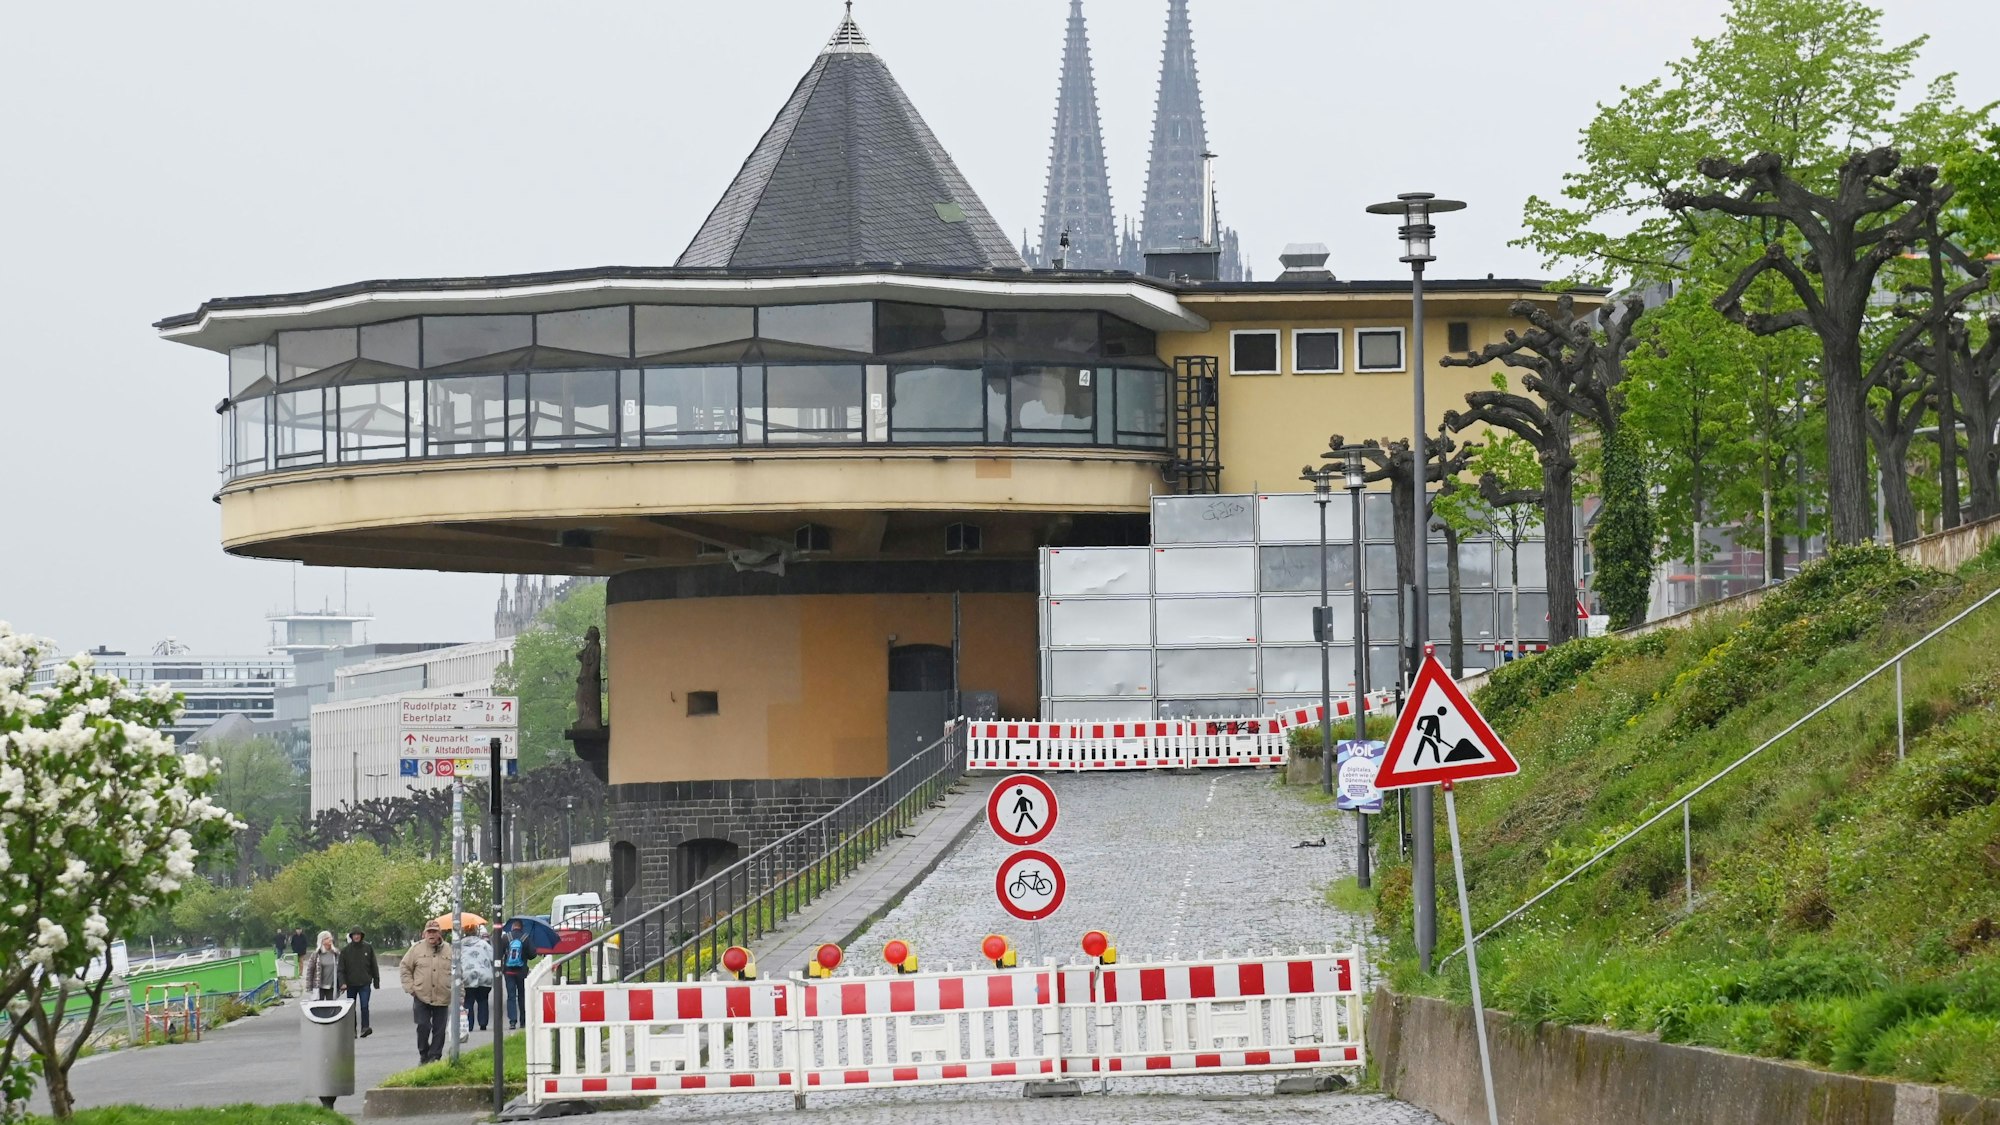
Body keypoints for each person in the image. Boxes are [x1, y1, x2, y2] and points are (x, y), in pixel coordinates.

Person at [400, 923, 453, 1064]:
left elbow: (458, 973)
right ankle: (424, 1054)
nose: (431, 934)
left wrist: (460, 994)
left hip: (442, 995)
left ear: (439, 934)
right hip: (421, 995)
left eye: (434, 932)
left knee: (439, 1030)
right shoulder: (416, 949)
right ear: (424, 934)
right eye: (429, 932)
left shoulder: (449, 950)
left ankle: (435, 1056)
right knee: (423, 1026)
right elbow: (404, 967)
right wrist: (410, 988)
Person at [339, 928, 380, 1038]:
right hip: (351, 984)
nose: (356, 936)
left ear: (361, 935)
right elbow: (341, 969)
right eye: (354, 935)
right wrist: (342, 983)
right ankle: (352, 1029)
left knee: (364, 1005)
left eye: (358, 934)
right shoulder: (345, 950)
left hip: (365, 983)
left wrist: (376, 980)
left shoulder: (368, 948)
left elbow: (374, 965)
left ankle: (365, 1028)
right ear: (351, 936)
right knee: (351, 1008)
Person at [458, 923, 494, 1039]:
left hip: (467, 976)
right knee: (483, 999)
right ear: (476, 932)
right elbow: (493, 957)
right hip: (484, 975)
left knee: (468, 1000)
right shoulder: (484, 944)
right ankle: (483, 1024)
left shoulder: (460, 945)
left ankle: (469, 1024)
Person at [501, 921, 531, 1030]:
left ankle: (512, 1021)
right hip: (521, 972)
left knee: (511, 996)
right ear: (521, 928)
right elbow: (533, 954)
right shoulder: (526, 938)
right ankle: (523, 1021)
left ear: (513, 927)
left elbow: (499, 954)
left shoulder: (505, 937)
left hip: (509, 972)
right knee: (522, 996)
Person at [302, 931, 341, 1000]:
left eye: (330, 937)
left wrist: (342, 983)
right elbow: (310, 971)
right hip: (319, 987)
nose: (330, 939)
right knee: (319, 1007)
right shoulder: (316, 954)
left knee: (331, 1008)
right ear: (322, 941)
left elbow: (341, 969)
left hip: (332, 986)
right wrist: (309, 986)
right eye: (327, 938)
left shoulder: (336, 953)